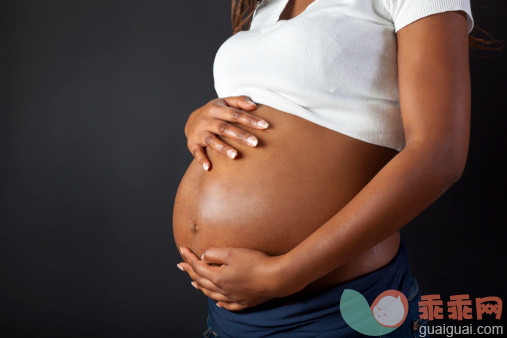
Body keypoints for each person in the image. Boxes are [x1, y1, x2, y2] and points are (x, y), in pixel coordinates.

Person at [173, 0, 475, 336]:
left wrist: (284, 274)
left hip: (336, 312)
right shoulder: (267, 7)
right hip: (230, 318)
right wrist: (199, 119)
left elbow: (439, 155)